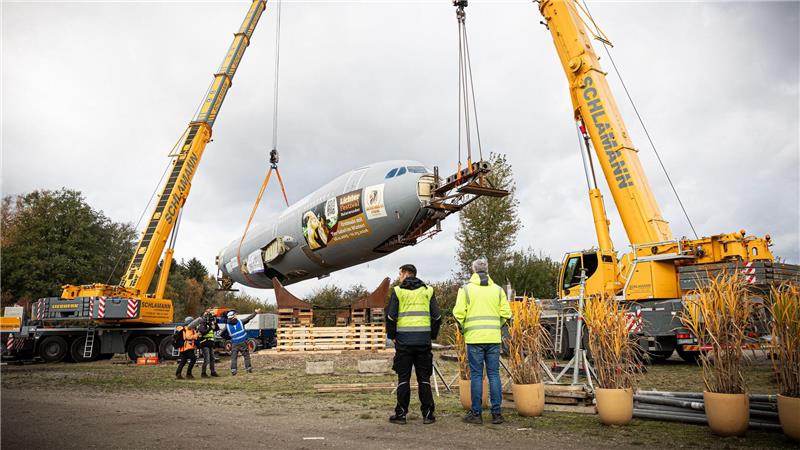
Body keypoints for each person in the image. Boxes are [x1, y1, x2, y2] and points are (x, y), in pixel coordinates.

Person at [453, 258, 512, 425]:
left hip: (474, 339)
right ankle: (497, 414)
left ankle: (476, 414)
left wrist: (465, 329)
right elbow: (506, 314)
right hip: (493, 338)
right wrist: (497, 327)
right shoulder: (498, 290)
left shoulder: (465, 290)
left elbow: (458, 314)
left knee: (477, 376)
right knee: (494, 375)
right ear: (487, 269)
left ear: (473, 270)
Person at [385, 264, 442, 425]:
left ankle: (401, 414)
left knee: (403, 378)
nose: (399, 277)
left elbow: (390, 317)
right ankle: (428, 415)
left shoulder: (398, 291)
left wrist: (392, 336)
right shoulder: (428, 291)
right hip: (423, 342)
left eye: (400, 274)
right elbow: (437, 317)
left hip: (404, 342)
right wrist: (431, 336)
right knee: (424, 378)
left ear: (405, 274)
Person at [220, 308, 261, 375]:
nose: (236, 316)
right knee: (246, 356)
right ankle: (248, 369)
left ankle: (233, 370)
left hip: (234, 343)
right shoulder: (240, 322)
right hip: (243, 342)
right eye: (235, 315)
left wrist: (229, 337)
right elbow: (248, 318)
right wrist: (255, 312)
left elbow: (221, 334)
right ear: (233, 316)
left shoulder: (227, 326)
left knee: (234, 357)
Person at [197, 312, 220, 378]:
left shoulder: (210, 324)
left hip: (210, 344)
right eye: (210, 318)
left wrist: (215, 323)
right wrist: (210, 328)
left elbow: (216, 328)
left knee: (212, 359)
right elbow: (203, 332)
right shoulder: (202, 325)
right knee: (206, 359)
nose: (211, 319)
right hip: (204, 344)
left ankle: (213, 372)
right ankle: (203, 373)